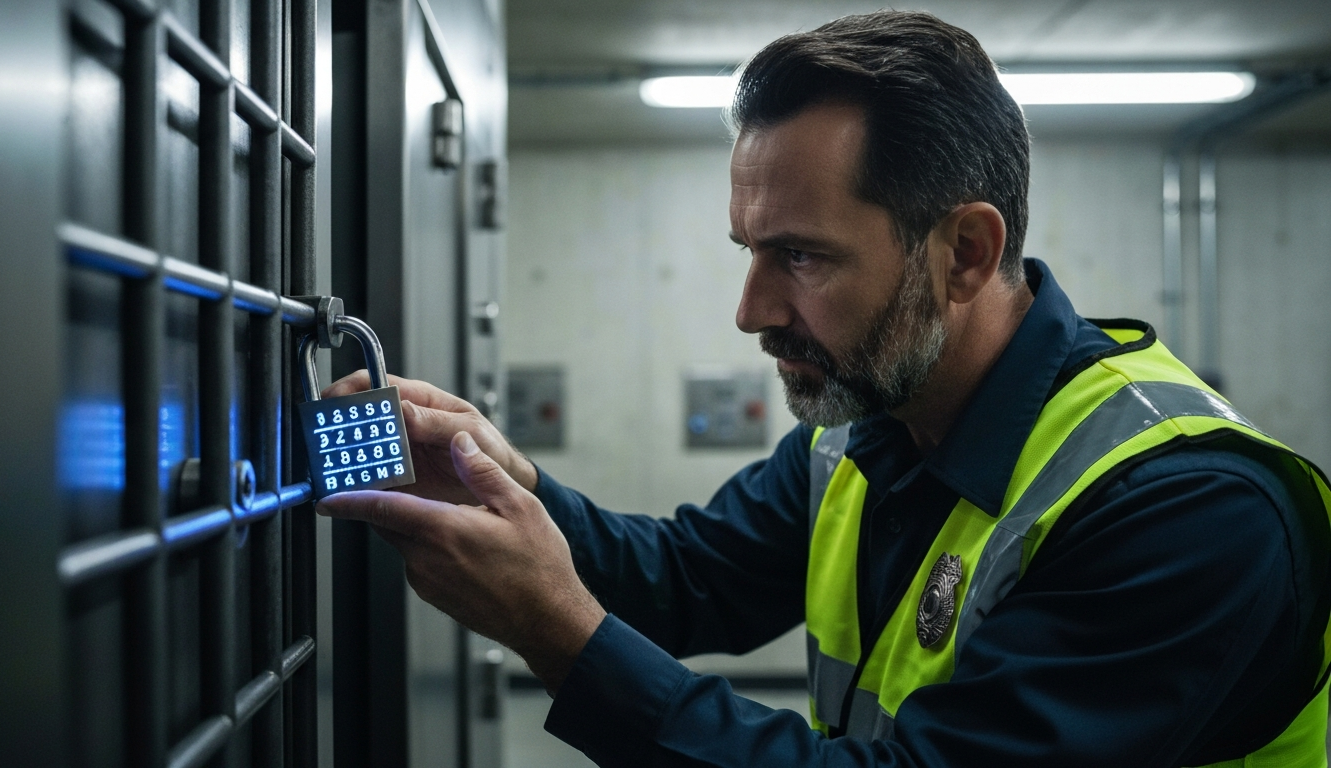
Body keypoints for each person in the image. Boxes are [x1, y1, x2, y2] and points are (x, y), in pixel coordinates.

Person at [318, 11, 1331, 767]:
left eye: (800, 257)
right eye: (751, 251)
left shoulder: (1190, 512)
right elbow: (688, 580)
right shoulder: (868, 426)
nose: (751, 310)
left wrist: (558, 635)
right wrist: (505, 483)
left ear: (965, 254)